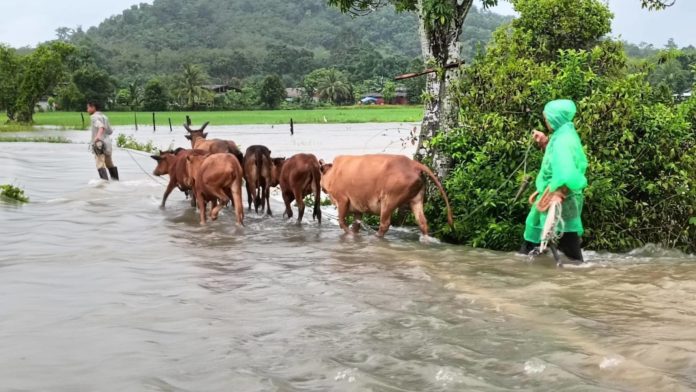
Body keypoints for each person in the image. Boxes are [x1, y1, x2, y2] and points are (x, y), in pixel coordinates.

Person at [519, 99, 588, 262]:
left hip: (559, 198)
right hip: (553, 196)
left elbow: (567, 169)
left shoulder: (563, 141)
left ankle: (577, 274)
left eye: (547, 118)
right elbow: (558, 159)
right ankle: (525, 263)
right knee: (537, 236)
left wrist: (558, 193)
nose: (546, 121)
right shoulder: (563, 134)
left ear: (555, 118)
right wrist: (544, 141)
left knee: (569, 245)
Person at [87, 101, 118, 181]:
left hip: (99, 144)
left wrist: (97, 137)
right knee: (109, 164)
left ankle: (105, 185)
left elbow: (101, 127)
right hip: (108, 144)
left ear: (93, 107)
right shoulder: (104, 116)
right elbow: (110, 131)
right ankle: (116, 182)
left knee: (100, 164)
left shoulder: (93, 117)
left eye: (88, 108)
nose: (87, 110)